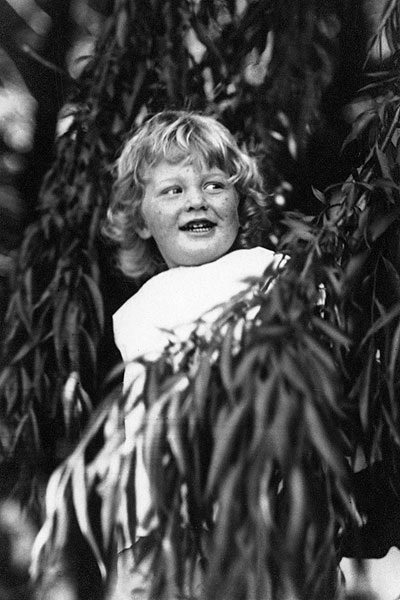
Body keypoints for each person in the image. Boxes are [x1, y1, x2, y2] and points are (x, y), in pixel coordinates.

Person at [103, 110, 287, 597]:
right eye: (172, 190)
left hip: (245, 515)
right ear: (140, 220)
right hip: (153, 529)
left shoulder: (266, 271)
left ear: (239, 204)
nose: (196, 201)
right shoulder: (135, 312)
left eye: (214, 185)